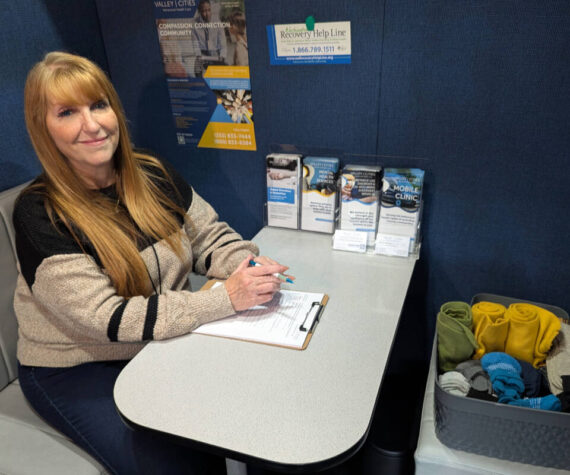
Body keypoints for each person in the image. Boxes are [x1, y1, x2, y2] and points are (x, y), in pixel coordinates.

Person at [14, 51, 292, 474]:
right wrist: (225, 300)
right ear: (44, 128)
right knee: (174, 465)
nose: (91, 124)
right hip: (77, 366)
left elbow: (206, 237)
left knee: (240, 419)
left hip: (157, 341)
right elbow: (107, 319)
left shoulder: (151, 172)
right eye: (68, 112)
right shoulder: (41, 212)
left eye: (98, 105)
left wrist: (247, 266)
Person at [192, 0, 227, 75]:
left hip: (216, 54)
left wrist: (222, 56)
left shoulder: (217, 22)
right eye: (204, 11)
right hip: (203, 54)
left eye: (208, 10)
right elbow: (195, 45)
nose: (207, 14)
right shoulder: (194, 25)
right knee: (197, 70)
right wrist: (199, 55)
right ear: (199, 12)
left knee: (225, 68)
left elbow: (223, 43)